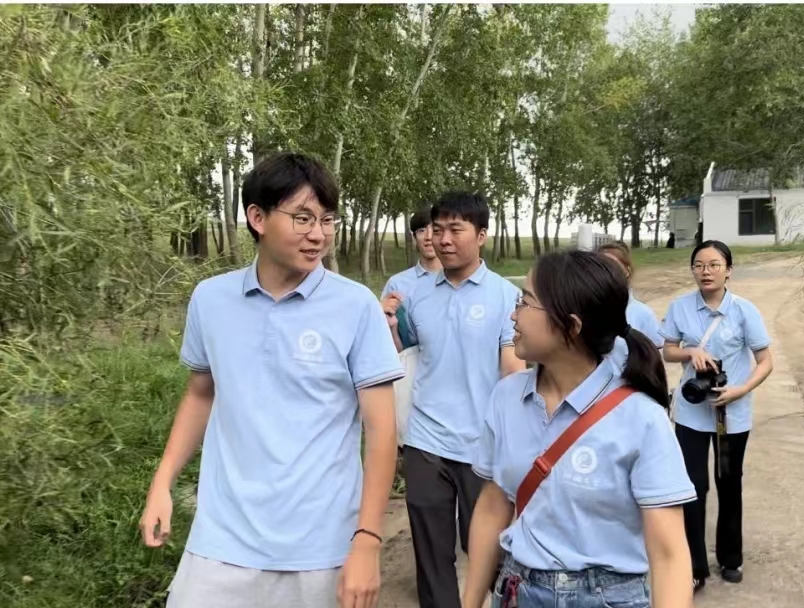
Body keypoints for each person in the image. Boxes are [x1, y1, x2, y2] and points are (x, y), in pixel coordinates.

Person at [139, 151, 404, 608]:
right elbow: (201, 394)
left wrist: (367, 540)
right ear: (257, 218)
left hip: (322, 547)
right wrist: (162, 483)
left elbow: (382, 431)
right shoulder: (211, 300)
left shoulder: (356, 306)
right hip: (221, 541)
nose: (318, 234)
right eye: (303, 218)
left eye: (327, 219)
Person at [462, 250, 696, 608]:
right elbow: (494, 505)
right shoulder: (506, 397)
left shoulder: (642, 418)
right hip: (519, 592)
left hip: (608, 598)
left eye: (525, 302)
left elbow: (669, 556)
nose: (513, 314)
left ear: (571, 327)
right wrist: (470, 600)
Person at [390, 190, 525, 608]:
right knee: (431, 555)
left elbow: (513, 370)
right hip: (425, 440)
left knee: (488, 549)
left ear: (481, 235)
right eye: (437, 229)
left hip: (481, 445)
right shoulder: (417, 294)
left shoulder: (505, 296)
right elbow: (405, 356)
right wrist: (389, 325)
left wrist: (512, 438)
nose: (443, 239)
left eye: (455, 229)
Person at [661, 240, 773, 592]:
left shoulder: (744, 311)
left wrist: (741, 390)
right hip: (692, 414)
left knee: (729, 482)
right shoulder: (680, 307)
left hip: (731, 415)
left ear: (728, 270)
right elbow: (667, 351)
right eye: (699, 265)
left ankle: (731, 558)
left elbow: (765, 361)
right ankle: (693, 567)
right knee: (692, 487)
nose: (705, 271)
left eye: (713, 265)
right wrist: (689, 352)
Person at [380, 207, 442, 349]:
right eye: (421, 231)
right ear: (414, 238)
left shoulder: (460, 280)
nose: (428, 237)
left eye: (435, 230)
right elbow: (387, 343)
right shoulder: (397, 284)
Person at [597, 241, 663, 348]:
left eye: (612, 266)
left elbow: (655, 348)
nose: (606, 272)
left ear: (627, 271)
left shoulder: (642, 313)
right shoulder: (581, 310)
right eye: (599, 266)